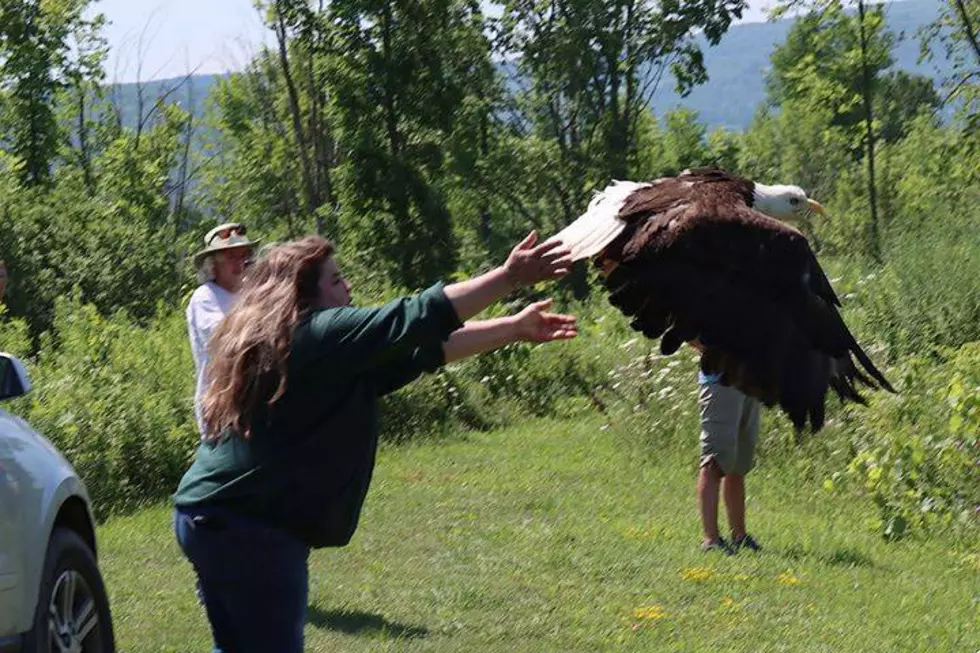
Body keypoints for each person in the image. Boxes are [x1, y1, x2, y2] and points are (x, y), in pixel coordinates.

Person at [172, 232, 576, 652]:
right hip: (251, 530)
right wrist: (508, 276)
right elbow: (418, 315)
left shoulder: (296, 344)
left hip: (206, 514)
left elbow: (424, 348)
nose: (347, 287)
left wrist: (513, 327)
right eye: (335, 279)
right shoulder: (317, 333)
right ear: (303, 294)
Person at [186, 223, 260, 438]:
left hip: (253, 407)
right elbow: (228, 342)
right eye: (231, 257)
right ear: (212, 265)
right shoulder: (204, 297)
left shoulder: (252, 294)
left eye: (243, 256)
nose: (240, 263)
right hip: (221, 411)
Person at [693, 343, 763, 555]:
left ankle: (740, 536)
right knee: (714, 462)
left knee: (737, 465)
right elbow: (686, 330)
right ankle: (711, 540)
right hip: (720, 383)